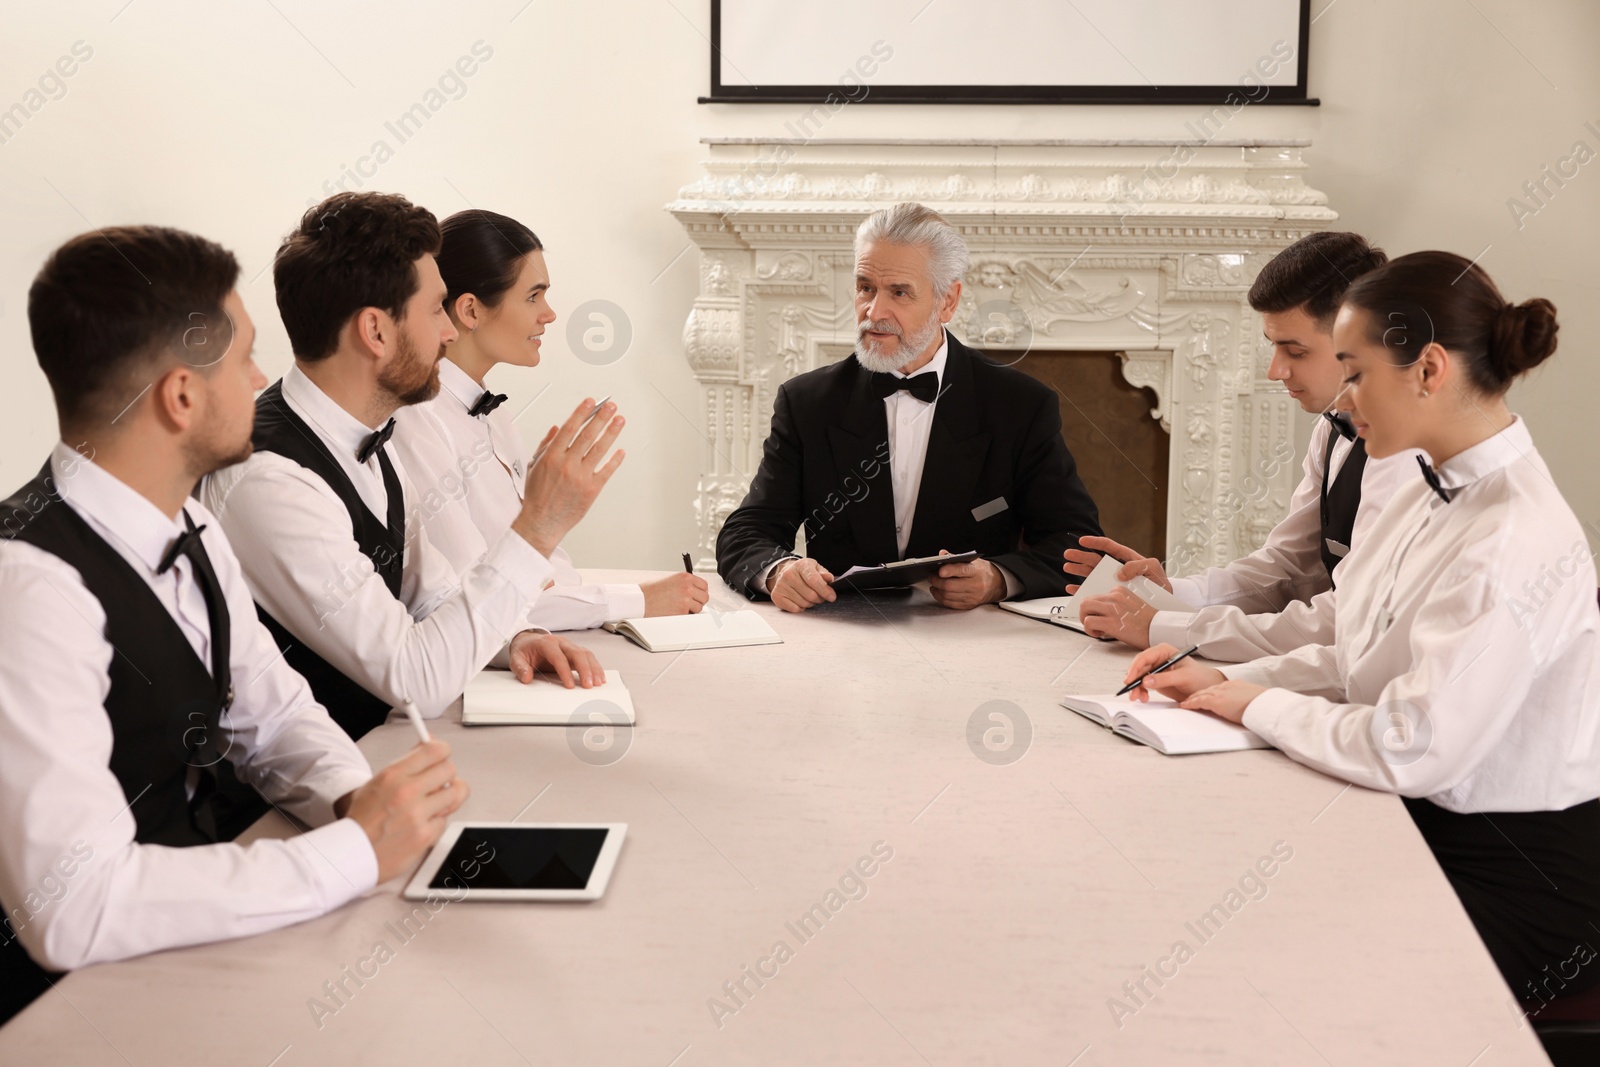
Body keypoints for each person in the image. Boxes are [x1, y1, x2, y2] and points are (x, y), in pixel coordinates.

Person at [0, 226, 469, 1024]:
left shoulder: (194, 525)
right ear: (181, 396)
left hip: (204, 941)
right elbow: (73, 905)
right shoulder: (28, 586)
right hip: (71, 1009)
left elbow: (275, 719)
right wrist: (350, 853)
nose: (263, 380)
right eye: (246, 358)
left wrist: (360, 802)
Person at [1124, 252, 1600, 1007]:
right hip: (1423, 818)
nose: (1342, 400)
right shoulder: (1423, 481)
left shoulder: (1510, 535)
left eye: (1355, 371)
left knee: (1278, 970)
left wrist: (1252, 703)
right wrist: (1231, 678)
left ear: (1429, 368)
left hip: (1516, 870)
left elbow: (1412, 745)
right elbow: (1355, 651)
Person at [202, 193, 622, 740]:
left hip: (382, 754)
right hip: (283, 799)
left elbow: (432, 596)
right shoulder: (269, 479)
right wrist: (538, 526)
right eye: (434, 311)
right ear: (375, 332)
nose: (450, 332)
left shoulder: (373, 433)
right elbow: (415, 678)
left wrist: (514, 641)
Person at [716, 202, 1102, 612]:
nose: (874, 312)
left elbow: (1076, 543)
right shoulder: (806, 401)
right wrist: (778, 570)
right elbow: (747, 531)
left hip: (977, 641)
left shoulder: (1021, 405)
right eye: (865, 287)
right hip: (840, 636)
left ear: (947, 302)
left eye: (899, 292)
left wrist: (999, 579)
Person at [1067, 231, 1418, 660]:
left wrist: (1165, 626)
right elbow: (1289, 565)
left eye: (1296, 352)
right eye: (1274, 347)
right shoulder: (1334, 425)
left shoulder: (1407, 452)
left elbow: (1341, 621)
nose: (1275, 371)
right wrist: (1172, 592)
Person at [389, 208, 708, 629]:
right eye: (533, 296)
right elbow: (472, 604)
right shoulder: (416, 420)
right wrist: (637, 599)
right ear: (470, 311)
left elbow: (546, 574)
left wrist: (549, 511)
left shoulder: (494, 415)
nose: (550, 314)